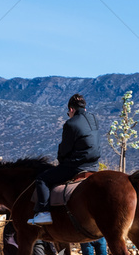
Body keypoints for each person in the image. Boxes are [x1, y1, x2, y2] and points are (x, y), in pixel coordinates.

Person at [29, 94, 101, 226]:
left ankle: (43, 213)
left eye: (68, 112)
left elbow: (65, 148)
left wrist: (61, 160)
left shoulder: (70, 123)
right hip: (94, 166)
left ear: (71, 109)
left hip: (76, 166)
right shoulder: (93, 119)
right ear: (84, 108)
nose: (69, 114)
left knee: (42, 179)